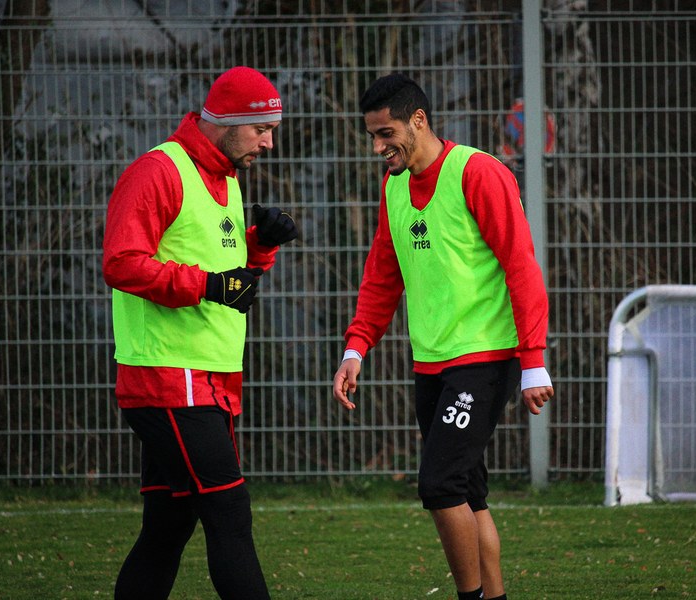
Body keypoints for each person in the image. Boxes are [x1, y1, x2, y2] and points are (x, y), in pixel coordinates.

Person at [332, 73, 554, 600]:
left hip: (485, 358)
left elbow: (522, 268)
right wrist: (356, 348)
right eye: (372, 137)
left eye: (386, 134)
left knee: (439, 485)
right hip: (432, 362)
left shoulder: (479, 173)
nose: (378, 147)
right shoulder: (394, 187)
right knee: (469, 494)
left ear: (419, 120)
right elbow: (382, 275)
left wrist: (533, 361)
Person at [103, 66, 297, 600]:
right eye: (261, 129)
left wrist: (260, 244)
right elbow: (121, 262)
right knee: (229, 513)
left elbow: (228, 277)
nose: (269, 143)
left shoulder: (225, 176)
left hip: (207, 377)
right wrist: (210, 285)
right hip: (169, 376)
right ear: (226, 122)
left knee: (168, 527)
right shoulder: (158, 171)